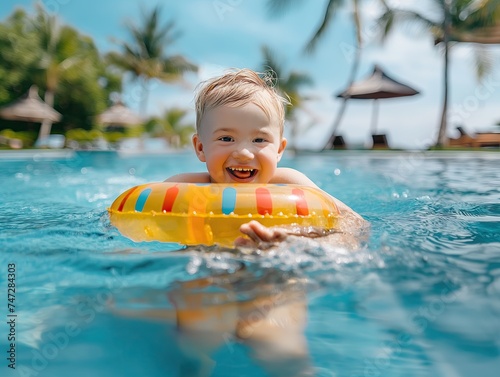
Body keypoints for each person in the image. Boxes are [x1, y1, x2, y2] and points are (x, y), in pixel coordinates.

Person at [166, 68, 367, 249]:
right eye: (226, 138)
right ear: (200, 148)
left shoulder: (290, 184)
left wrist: (299, 238)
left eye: (259, 139)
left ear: (279, 149)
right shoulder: (185, 187)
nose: (244, 153)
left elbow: (355, 223)